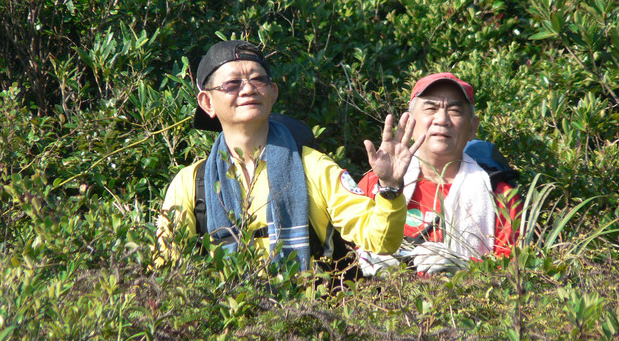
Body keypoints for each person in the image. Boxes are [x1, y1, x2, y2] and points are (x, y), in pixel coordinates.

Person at [156, 40, 425, 271]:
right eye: (232, 84)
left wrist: (390, 188)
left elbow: (381, 241)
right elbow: (166, 269)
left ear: (273, 93)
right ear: (207, 102)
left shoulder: (314, 167)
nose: (248, 89)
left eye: (258, 79)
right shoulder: (191, 183)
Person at [357, 73, 522, 276]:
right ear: (409, 122)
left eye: (454, 111)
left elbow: (515, 273)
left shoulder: (499, 195)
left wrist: (465, 268)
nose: (442, 120)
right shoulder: (376, 182)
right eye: (431, 108)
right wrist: (366, 259)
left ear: (472, 127)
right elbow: (342, 252)